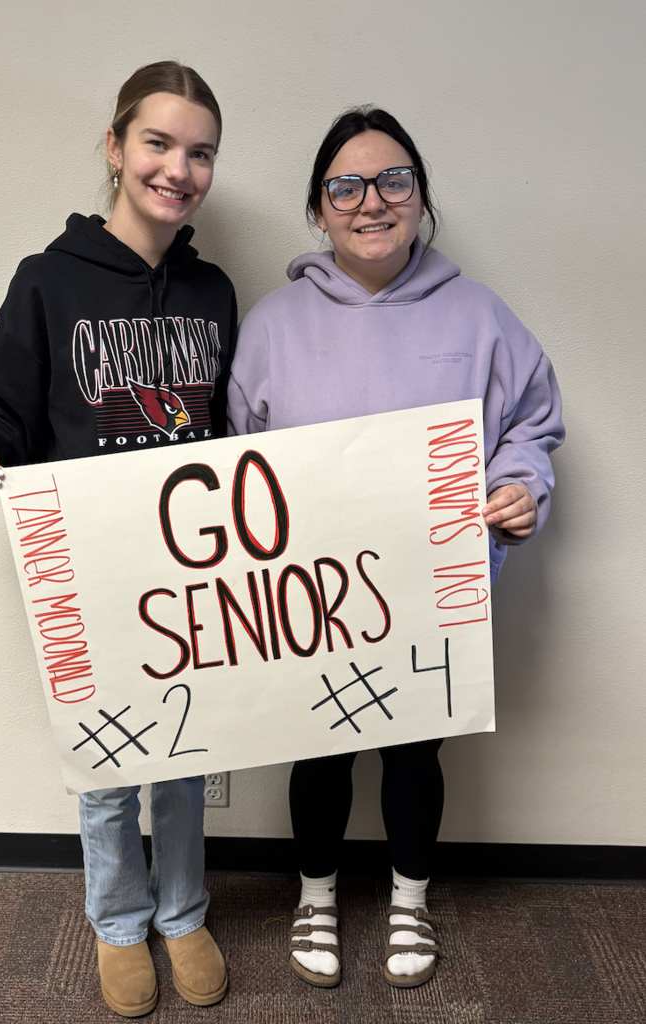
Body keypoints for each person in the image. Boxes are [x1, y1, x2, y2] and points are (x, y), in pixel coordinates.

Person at [226, 107, 564, 990]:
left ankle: (410, 899)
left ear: (418, 196)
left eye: (392, 181)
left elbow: (530, 424)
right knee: (319, 746)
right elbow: (237, 461)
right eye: (345, 186)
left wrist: (520, 485)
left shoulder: (480, 315)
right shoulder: (271, 325)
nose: (370, 201)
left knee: (416, 751)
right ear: (317, 208)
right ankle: (316, 895)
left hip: (432, 588)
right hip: (309, 594)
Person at [0, 61, 236, 1017]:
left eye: (200, 153)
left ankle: (182, 913)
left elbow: (232, 430)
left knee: (184, 761)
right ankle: (117, 921)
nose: (178, 169)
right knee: (107, 767)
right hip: (88, 569)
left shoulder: (214, 292)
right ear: (114, 148)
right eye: (158, 143)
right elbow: (1, 403)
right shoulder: (46, 280)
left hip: (190, 572)